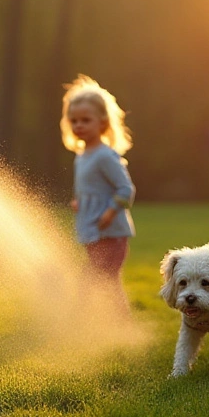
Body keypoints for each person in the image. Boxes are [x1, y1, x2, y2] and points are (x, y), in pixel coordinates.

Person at [61, 75, 136, 314]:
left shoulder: (105, 155)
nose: (79, 125)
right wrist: (79, 201)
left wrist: (111, 211)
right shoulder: (82, 155)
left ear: (102, 123)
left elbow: (125, 188)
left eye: (86, 120)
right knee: (98, 280)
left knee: (102, 280)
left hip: (111, 232)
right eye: (74, 120)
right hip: (92, 230)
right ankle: (102, 322)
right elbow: (91, 187)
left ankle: (116, 324)